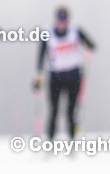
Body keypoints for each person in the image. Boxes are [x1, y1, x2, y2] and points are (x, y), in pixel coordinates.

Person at [33, 7, 95, 140]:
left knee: (71, 112)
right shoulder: (48, 33)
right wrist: (38, 76)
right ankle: (50, 141)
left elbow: (90, 43)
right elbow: (41, 56)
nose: (62, 23)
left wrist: (89, 46)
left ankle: (71, 140)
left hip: (73, 75)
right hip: (56, 76)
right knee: (54, 110)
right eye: (60, 20)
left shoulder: (75, 30)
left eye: (64, 20)